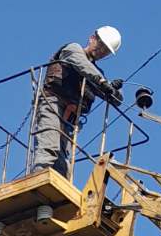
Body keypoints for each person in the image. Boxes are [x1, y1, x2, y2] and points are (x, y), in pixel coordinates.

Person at [28, 26, 124, 178]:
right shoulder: (72, 49)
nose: (101, 52)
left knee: (63, 163)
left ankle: (56, 195)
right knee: (49, 147)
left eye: (105, 51)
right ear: (93, 38)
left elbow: (116, 100)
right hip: (52, 104)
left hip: (69, 120)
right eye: (101, 46)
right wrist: (102, 81)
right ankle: (37, 181)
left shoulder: (97, 74)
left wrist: (114, 89)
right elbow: (82, 64)